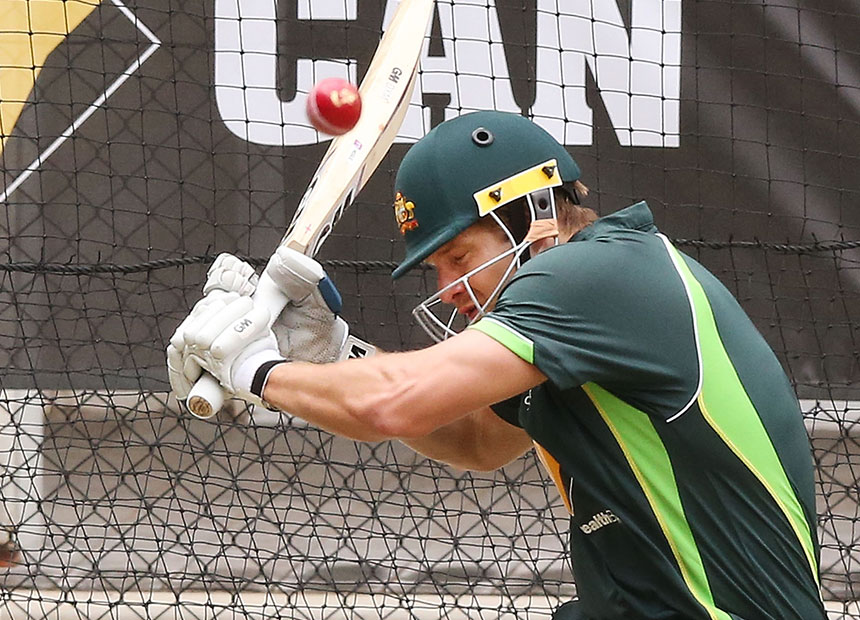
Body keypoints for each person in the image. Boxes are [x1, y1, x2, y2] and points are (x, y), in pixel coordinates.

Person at [167, 111, 826, 620]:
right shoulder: (578, 320)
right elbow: (478, 439)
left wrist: (259, 373)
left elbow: (392, 404)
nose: (450, 286)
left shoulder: (591, 275)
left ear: (537, 215)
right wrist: (336, 356)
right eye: (438, 268)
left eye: (459, 255)